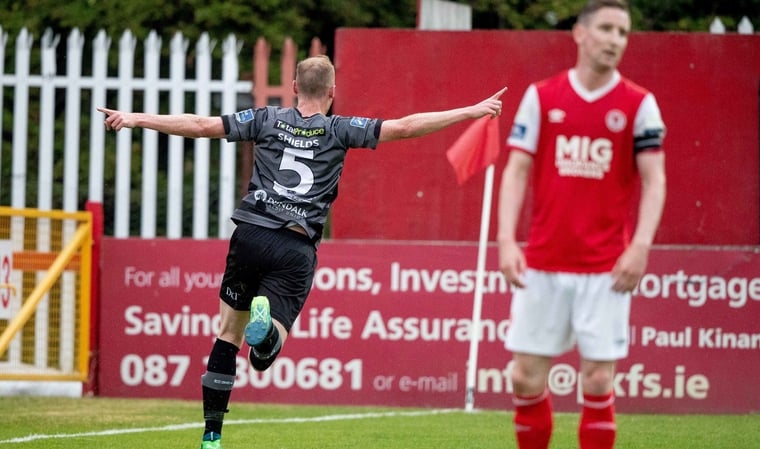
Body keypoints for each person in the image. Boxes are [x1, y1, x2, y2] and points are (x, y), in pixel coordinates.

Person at [99, 55, 505, 449]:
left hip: (251, 232)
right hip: (295, 244)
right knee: (266, 351)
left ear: (294, 87)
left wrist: (137, 119)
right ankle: (265, 336)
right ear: (332, 92)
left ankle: (211, 435)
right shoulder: (340, 128)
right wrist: (470, 111)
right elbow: (404, 127)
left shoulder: (265, 118)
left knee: (228, 335)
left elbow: (202, 125)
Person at [496, 1, 666, 448]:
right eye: (606, 29)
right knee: (524, 376)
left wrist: (640, 246)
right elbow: (516, 171)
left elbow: (655, 180)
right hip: (543, 264)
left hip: (606, 269)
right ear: (579, 33)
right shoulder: (541, 96)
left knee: (597, 379)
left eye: (623, 33)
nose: (615, 40)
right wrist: (507, 240)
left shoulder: (640, 104)